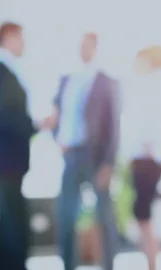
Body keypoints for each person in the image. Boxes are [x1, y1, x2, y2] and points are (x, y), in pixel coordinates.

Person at [50, 32, 121, 270]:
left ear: (96, 48)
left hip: (96, 158)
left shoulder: (106, 81)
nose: (83, 49)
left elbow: (113, 126)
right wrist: (57, 139)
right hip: (70, 155)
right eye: (80, 45)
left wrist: (108, 163)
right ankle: (67, 265)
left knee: (104, 216)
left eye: (87, 45)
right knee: (65, 215)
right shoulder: (66, 79)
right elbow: (57, 115)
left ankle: (109, 265)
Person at [0, 21, 51, 270]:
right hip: (5, 164)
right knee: (11, 229)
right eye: (21, 38)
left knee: (13, 226)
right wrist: (36, 125)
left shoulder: (11, 72)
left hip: (11, 165)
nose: (24, 44)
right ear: (8, 37)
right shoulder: (2, 72)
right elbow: (6, 117)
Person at [122, 45, 161, 270]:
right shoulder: (149, 87)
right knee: (143, 217)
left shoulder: (153, 87)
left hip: (146, 161)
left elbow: (150, 126)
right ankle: (152, 262)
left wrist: (147, 151)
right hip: (144, 159)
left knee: (144, 217)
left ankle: (152, 264)